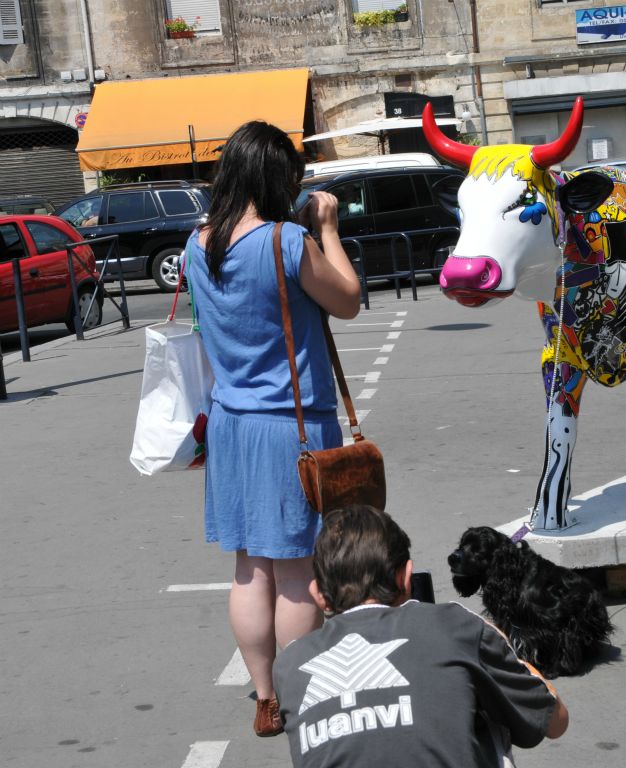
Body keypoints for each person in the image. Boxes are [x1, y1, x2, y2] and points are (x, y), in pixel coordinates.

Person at [186, 121, 360, 737]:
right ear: (272, 176)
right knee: (296, 573)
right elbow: (348, 298)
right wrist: (329, 228)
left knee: (248, 570)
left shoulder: (196, 243)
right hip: (293, 428)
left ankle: (265, 697)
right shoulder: (286, 241)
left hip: (231, 426)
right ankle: (299, 690)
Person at [273, 505, 569, 768]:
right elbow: (555, 722)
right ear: (406, 578)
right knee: (482, 704)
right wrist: (509, 656)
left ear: (318, 595)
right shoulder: (457, 625)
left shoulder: (289, 664)